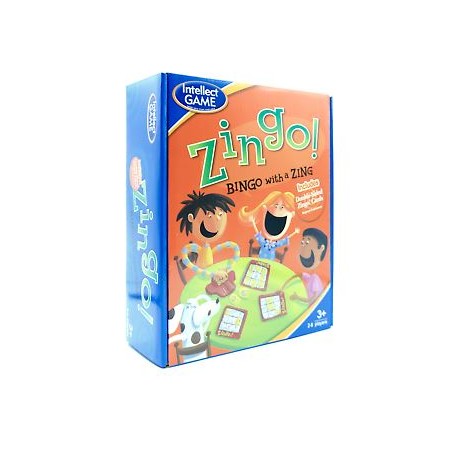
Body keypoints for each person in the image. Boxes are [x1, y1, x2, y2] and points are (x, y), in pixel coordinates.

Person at [176, 191, 240, 281]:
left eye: (220, 215)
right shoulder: (191, 249)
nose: (217, 220)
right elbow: (191, 265)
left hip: (216, 278)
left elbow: (234, 247)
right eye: (209, 216)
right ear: (191, 218)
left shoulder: (206, 249)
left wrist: (228, 267)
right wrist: (211, 274)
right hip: (200, 281)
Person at [239, 191, 299, 260]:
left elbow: (283, 240)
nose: (276, 211)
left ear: (292, 214)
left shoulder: (274, 244)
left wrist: (294, 233)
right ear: (264, 209)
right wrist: (253, 222)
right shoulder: (264, 242)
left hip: (271, 264)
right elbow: (258, 235)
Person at [290, 228, 328, 306]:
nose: (303, 248)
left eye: (307, 243)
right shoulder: (312, 277)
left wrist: (297, 297)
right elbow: (303, 275)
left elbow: (312, 299)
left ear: (321, 248)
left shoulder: (315, 279)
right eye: (302, 243)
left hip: (312, 307)